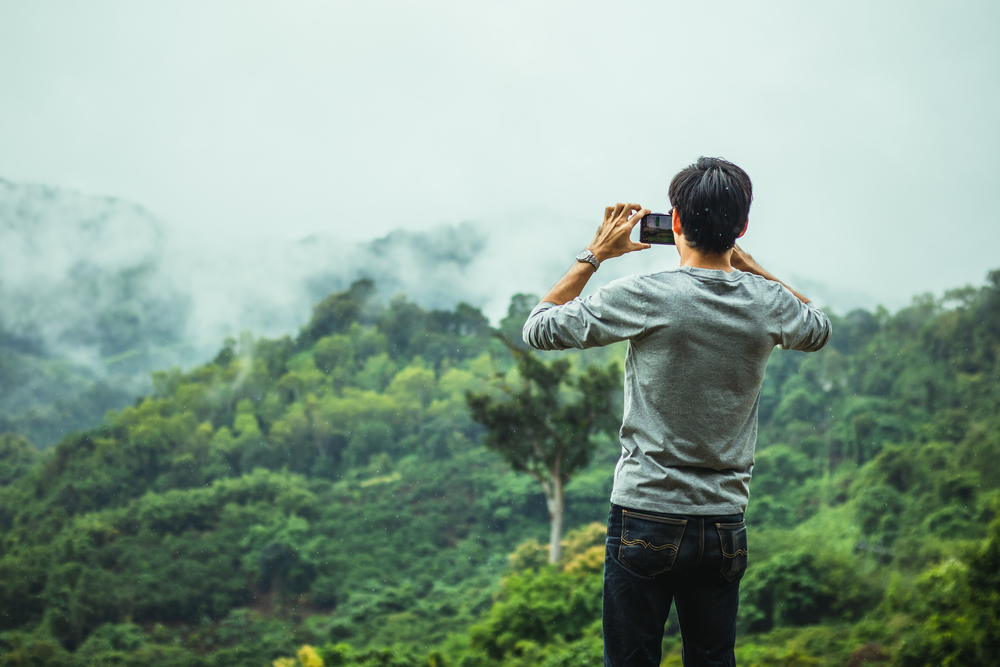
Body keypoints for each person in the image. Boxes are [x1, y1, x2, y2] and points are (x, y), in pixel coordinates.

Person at [521, 157, 832, 667]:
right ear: (742, 227)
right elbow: (816, 325)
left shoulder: (646, 295)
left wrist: (594, 254)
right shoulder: (767, 303)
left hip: (646, 512)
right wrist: (751, 267)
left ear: (677, 223)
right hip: (724, 523)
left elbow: (539, 327)